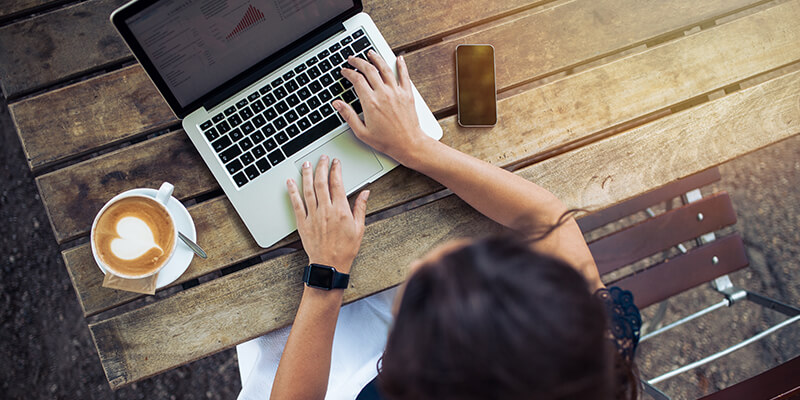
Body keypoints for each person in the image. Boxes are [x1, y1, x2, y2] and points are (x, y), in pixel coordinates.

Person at [236, 51, 641, 400]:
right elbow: (551, 221)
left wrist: (327, 271)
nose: (416, 265)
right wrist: (418, 147)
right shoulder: (593, 355)